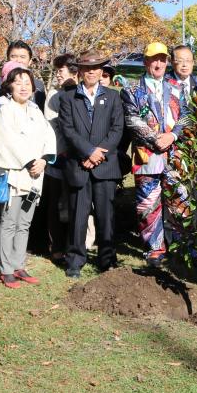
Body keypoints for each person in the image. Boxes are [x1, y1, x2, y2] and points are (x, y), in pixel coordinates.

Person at [58, 51, 125, 278]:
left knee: (106, 216)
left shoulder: (113, 97)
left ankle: (107, 259)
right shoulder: (68, 98)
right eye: (87, 68)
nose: (92, 72)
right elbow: (68, 130)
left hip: (105, 165)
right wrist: (87, 151)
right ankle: (75, 260)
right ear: (80, 71)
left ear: (101, 71)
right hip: (79, 164)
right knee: (78, 215)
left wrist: (99, 154)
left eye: (96, 68)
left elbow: (117, 129)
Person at [123, 42, 191, 266]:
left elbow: (186, 116)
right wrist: (155, 139)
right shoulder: (132, 90)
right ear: (146, 62)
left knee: (178, 200)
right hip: (147, 154)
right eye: (154, 59)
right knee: (148, 203)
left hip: (174, 154)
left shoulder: (177, 88)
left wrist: (171, 137)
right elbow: (132, 120)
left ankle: (180, 245)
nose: (159, 63)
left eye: (162, 59)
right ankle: (154, 248)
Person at [0, 67, 57, 287]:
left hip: (35, 175)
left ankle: (19, 264)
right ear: (10, 85)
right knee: (9, 221)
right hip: (15, 174)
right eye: (18, 82)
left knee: (25, 223)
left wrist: (44, 160)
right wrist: (30, 161)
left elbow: (49, 136)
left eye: (27, 82)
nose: (23, 87)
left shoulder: (35, 110)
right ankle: (6, 268)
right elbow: (7, 141)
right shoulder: (6, 110)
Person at [41, 52, 79, 264]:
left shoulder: (80, 91)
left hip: (78, 157)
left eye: (60, 71)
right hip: (58, 155)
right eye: (56, 71)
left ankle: (75, 245)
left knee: (75, 204)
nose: (57, 75)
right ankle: (56, 248)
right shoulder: (54, 94)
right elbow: (52, 125)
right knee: (56, 204)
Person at [0, 40, 47, 108]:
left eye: (22, 57)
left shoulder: (38, 85)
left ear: (30, 62)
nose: (18, 60)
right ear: (8, 59)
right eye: (13, 56)